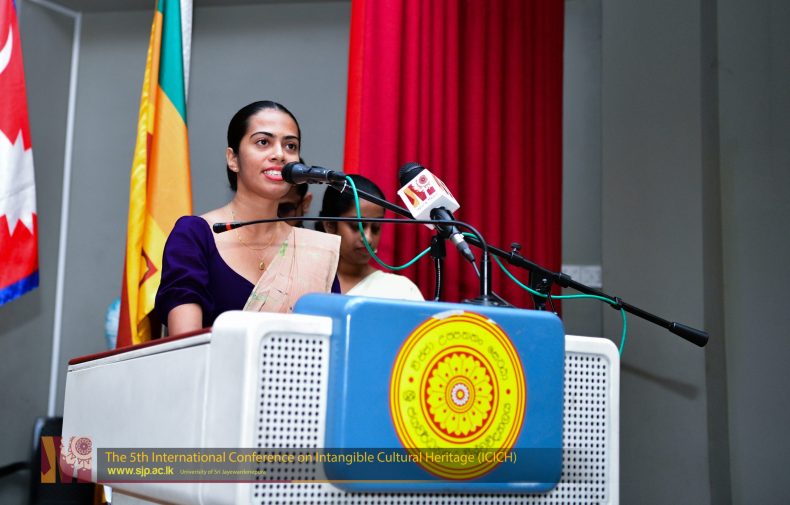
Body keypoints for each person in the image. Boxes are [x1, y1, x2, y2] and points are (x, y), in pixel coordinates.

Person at [155, 101, 340, 335]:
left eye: (290, 146)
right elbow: (184, 343)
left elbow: (334, 343)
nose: (279, 154)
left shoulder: (315, 251)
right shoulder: (195, 235)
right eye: (263, 142)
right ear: (233, 159)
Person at [317, 175, 423, 301]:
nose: (368, 238)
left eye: (376, 227)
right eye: (357, 226)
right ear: (329, 225)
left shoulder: (401, 291)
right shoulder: (305, 279)